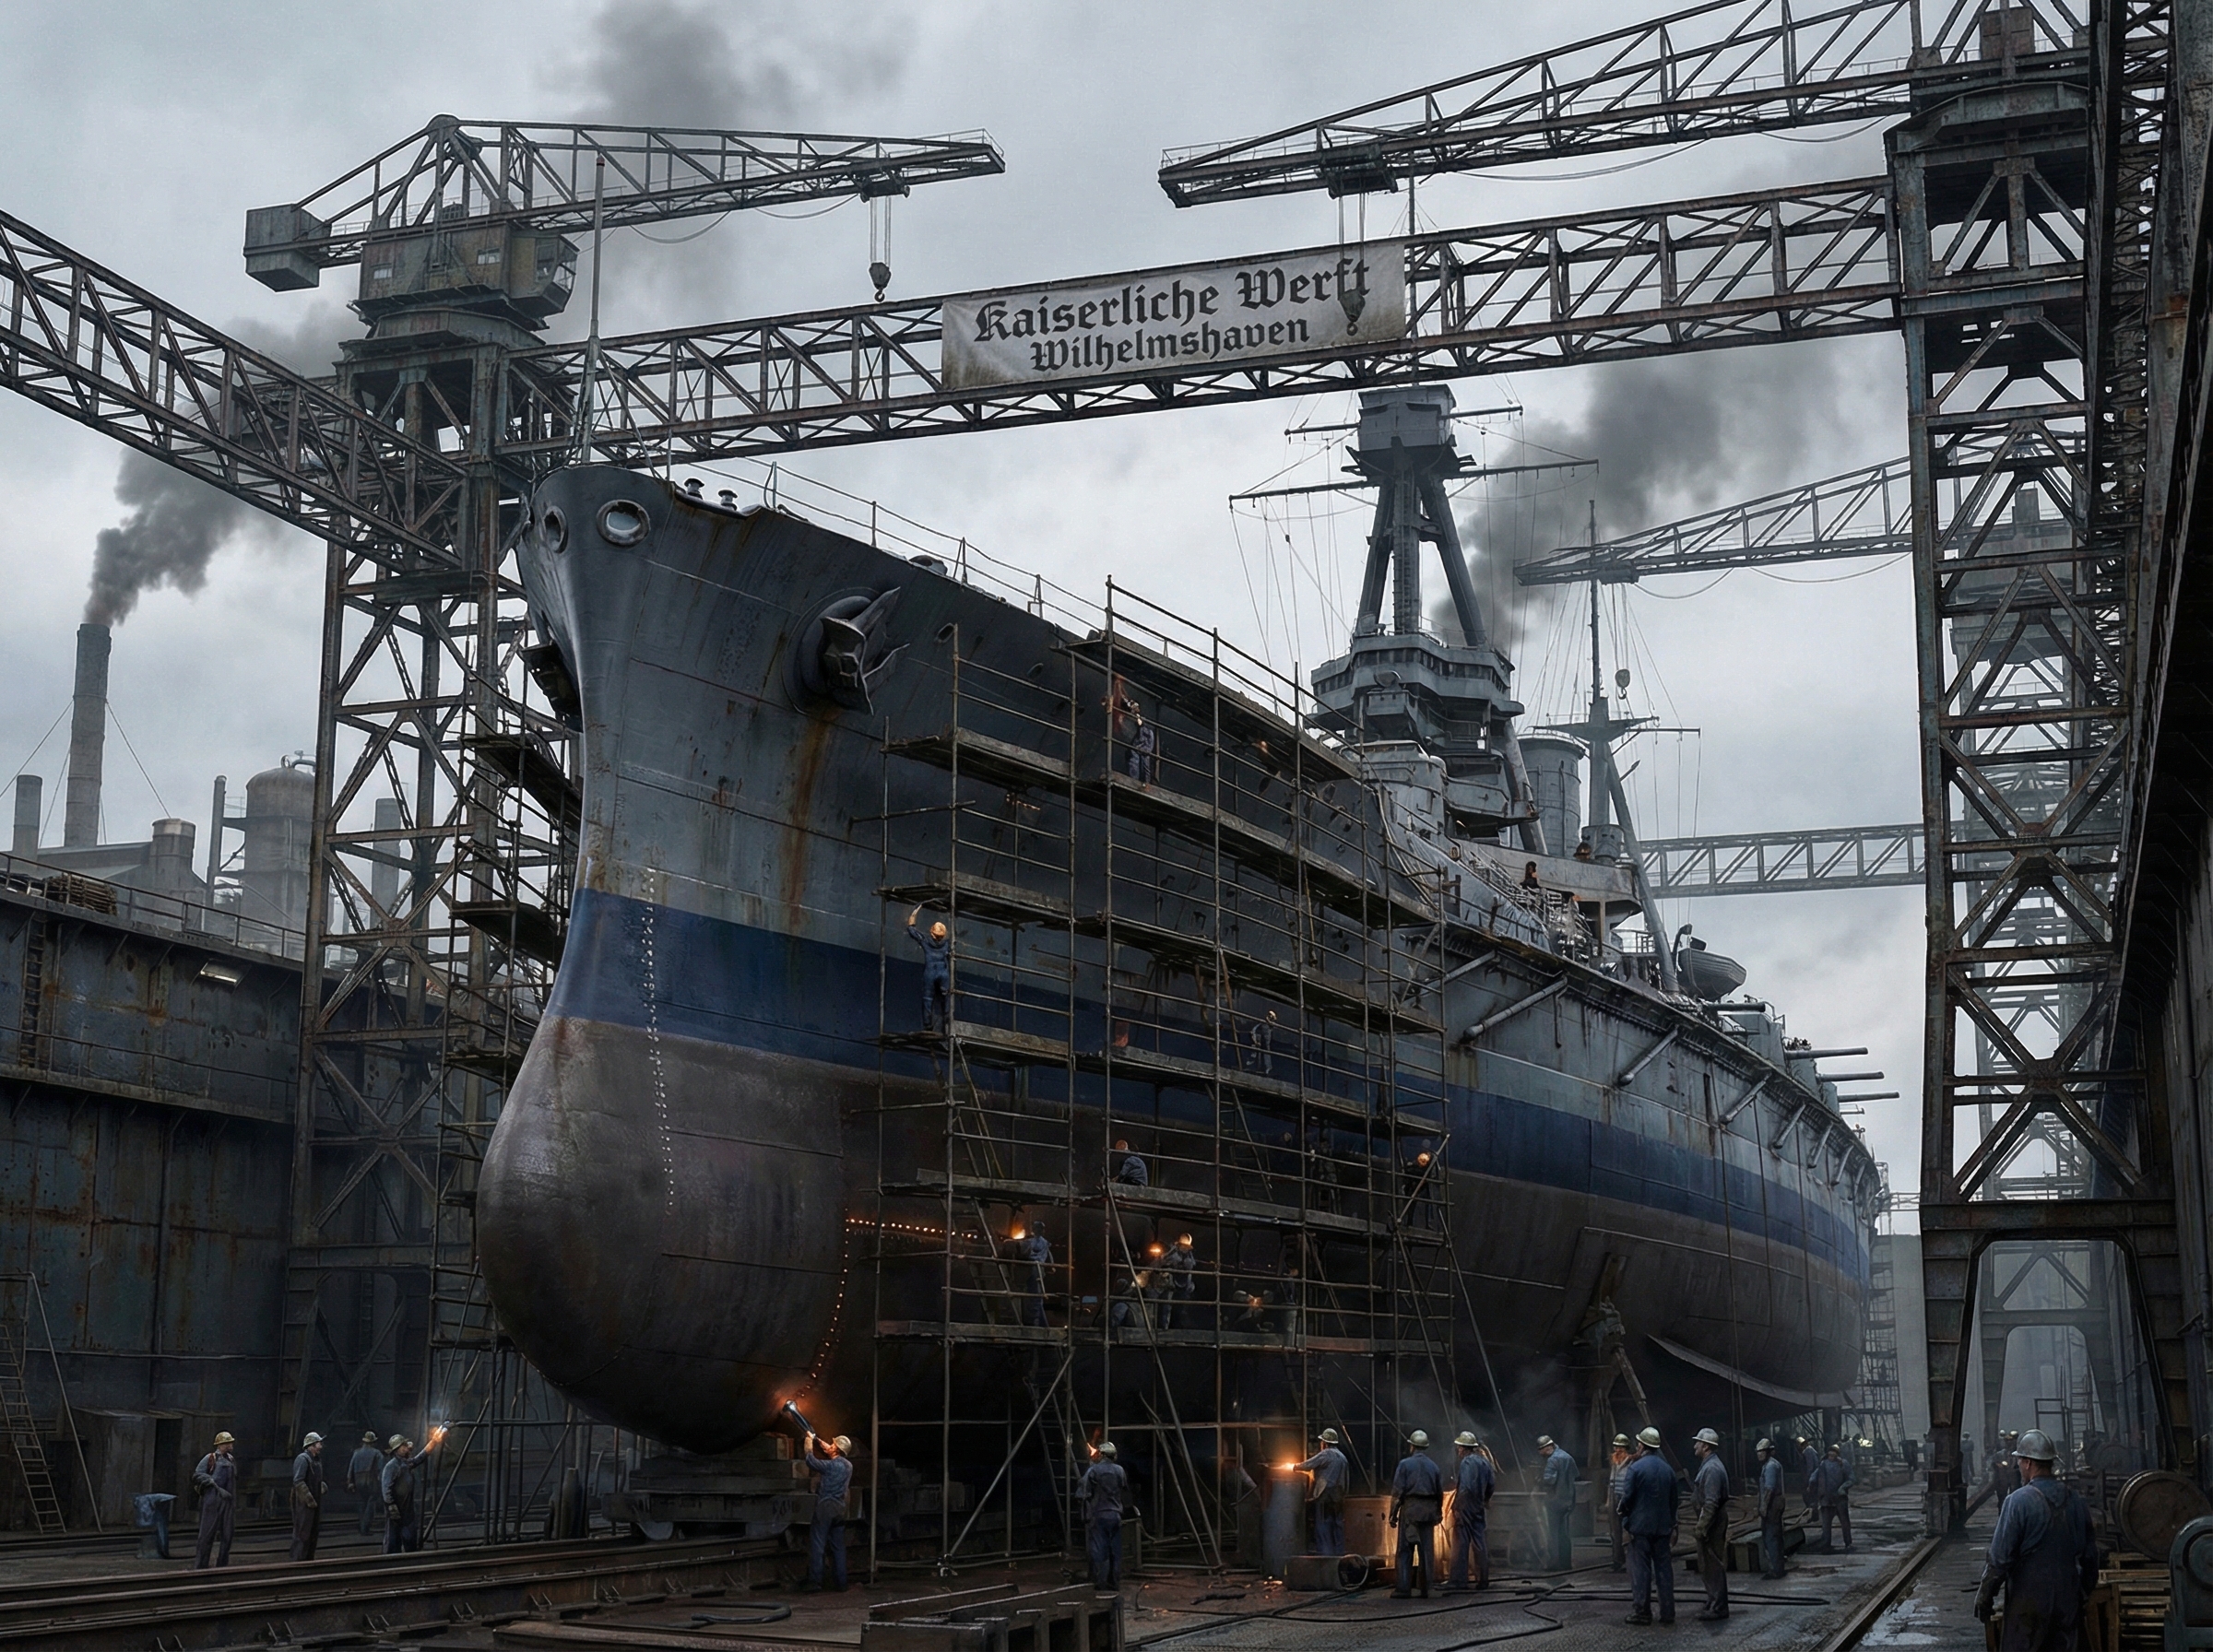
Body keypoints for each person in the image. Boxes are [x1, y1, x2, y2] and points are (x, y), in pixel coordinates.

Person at [1974, 1428, 2100, 1652]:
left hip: (2028, 1605)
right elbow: (2090, 1558)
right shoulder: (2076, 1501)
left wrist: (1985, 1596)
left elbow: (2000, 1559)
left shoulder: (2017, 1502)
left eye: (2020, 1461)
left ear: (2028, 1463)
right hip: (2067, 1601)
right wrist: (2081, 1593)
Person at [1618, 1426, 1679, 1625]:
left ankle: (1642, 1613)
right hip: (1662, 1529)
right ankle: (1668, 1612)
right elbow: (1673, 1502)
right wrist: (1673, 1525)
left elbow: (1627, 1498)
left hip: (1640, 1529)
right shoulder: (1668, 1470)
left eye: (1639, 1443)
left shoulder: (1636, 1468)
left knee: (1641, 1571)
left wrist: (1624, 1516)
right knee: (1664, 1570)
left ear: (1643, 1445)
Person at [1389, 1430, 1444, 1599]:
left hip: (1411, 1510)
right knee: (1426, 1551)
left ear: (1412, 1446)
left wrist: (1393, 1514)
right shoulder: (1434, 1466)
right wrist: (1438, 1512)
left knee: (1405, 1550)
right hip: (1427, 1512)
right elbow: (1439, 1493)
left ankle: (1404, 1589)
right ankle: (1426, 1588)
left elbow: (1398, 1492)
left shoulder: (1405, 1464)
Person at [803, 1432, 853, 1591]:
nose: (829, 1446)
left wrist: (809, 1442)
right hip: (840, 1509)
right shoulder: (848, 1466)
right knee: (838, 1546)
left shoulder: (830, 1466)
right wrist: (822, 1443)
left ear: (836, 1449)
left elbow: (810, 1461)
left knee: (818, 1544)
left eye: (833, 1445)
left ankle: (815, 1582)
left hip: (826, 1507)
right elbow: (833, 1455)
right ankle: (841, 1583)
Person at [1690, 1427, 1730, 1621]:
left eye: (1698, 1442)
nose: (1695, 1445)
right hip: (1710, 1520)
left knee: (1713, 1564)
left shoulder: (1712, 1469)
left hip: (1712, 1522)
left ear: (1705, 1446)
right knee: (1707, 1564)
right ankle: (1713, 1599)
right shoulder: (1709, 1465)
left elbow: (1711, 1502)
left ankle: (1719, 1606)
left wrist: (1702, 1526)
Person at [1447, 1431, 1495, 1591]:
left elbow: (1465, 1488)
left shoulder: (1467, 1463)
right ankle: (1483, 1580)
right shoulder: (1485, 1462)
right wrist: (1485, 1500)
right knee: (1480, 1543)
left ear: (1463, 1448)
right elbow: (1491, 1485)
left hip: (1466, 1506)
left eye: (1459, 1448)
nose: (1458, 1451)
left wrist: (1458, 1507)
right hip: (1478, 1507)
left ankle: (1458, 1581)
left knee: (1460, 1543)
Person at [1079, 1442, 1130, 1592]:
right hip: (1115, 1516)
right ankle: (1114, 1583)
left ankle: (1101, 1585)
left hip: (1099, 1515)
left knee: (1100, 1551)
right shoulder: (1120, 1470)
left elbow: (1083, 1493)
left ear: (1101, 1455)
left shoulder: (1093, 1470)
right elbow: (1124, 1488)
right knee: (1115, 1551)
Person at [1296, 1427, 1349, 1555]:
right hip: (1339, 1497)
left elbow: (1308, 1464)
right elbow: (1346, 1480)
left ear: (1325, 1443)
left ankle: (1325, 1558)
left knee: (1323, 1528)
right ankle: (1339, 1558)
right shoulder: (1343, 1458)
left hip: (1325, 1496)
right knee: (1337, 1527)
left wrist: (1294, 1467)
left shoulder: (1326, 1454)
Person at [381, 1433, 437, 1553]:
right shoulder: (391, 1466)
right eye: (404, 1446)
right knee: (393, 1540)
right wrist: (391, 1507)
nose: (407, 1448)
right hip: (396, 1509)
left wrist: (435, 1440)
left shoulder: (406, 1464)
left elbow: (422, 1456)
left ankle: (410, 1561)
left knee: (410, 1539)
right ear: (397, 1450)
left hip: (407, 1509)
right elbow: (386, 1489)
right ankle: (391, 1565)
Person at [192, 1430, 238, 1569]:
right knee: (207, 1534)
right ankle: (201, 1565)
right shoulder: (210, 1458)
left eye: (230, 1443)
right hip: (212, 1499)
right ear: (220, 1445)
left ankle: (222, 1565)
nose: (230, 1445)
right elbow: (197, 1475)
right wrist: (212, 1483)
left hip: (228, 1500)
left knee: (227, 1534)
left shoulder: (230, 1459)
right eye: (227, 1443)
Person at [906, 906, 952, 1036]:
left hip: (930, 972)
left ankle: (927, 1025)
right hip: (944, 973)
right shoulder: (947, 944)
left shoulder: (925, 941)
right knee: (947, 997)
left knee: (927, 999)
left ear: (932, 932)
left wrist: (914, 912)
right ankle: (947, 1025)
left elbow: (911, 929)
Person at [1536, 1434, 1578, 1572]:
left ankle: (1554, 1564)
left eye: (1540, 1450)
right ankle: (1566, 1563)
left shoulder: (1552, 1460)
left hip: (1554, 1502)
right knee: (1564, 1534)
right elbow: (1574, 1477)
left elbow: (1549, 1480)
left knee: (1552, 1533)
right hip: (1568, 1501)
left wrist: (1539, 1482)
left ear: (1547, 1447)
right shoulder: (1568, 1457)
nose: (1540, 1453)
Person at [290, 1432, 326, 1562]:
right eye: (319, 1443)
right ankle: (298, 1560)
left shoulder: (315, 1460)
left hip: (315, 1501)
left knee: (312, 1531)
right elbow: (298, 1481)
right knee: (303, 1532)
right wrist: (309, 1498)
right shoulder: (303, 1459)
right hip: (304, 1503)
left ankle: (308, 1560)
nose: (321, 1446)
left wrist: (320, 1485)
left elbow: (313, 1478)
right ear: (311, 1445)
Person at [1812, 1442, 1854, 1552]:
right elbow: (1814, 1477)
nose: (1831, 1456)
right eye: (1830, 1454)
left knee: (1844, 1522)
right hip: (1826, 1499)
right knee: (1826, 1525)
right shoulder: (1823, 1464)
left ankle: (1848, 1542)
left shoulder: (1843, 1464)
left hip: (1840, 1499)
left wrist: (1843, 1488)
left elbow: (1852, 1479)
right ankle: (1826, 1543)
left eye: (1834, 1454)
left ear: (1837, 1454)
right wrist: (1812, 1485)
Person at [1009, 1222, 1053, 1328]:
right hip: (1038, 1269)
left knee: (1035, 1297)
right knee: (1037, 1297)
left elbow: (1023, 1252)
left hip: (1032, 1270)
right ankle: (1042, 1324)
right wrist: (1051, 1265)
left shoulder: (1031, 1242)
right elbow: (1049, 1257)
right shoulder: (1045, 1242)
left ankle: (1035, 1323)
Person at [1757, 1438, 1788, 1578]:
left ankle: (1776, 1570)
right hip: (1776, 1503)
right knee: (1775, 1536)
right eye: (1758, 1452)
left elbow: (1769, 1489)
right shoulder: (1770, 1465)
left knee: (1771, 1537)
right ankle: (1778, 1567)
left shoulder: (1770, 1466)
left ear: (1768, 1452)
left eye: (1762, 1452)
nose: (1759, 1454)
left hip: (1773, 1505)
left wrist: (1763, 1507)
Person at [349, 1432, 386, 1538]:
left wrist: (350, 1482)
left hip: (358, 1480)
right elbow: (381, 1470)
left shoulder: (356, 1453)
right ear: (373, 1442)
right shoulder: (377, 1453)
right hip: (371, 1480)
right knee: (371, 1504)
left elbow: (351, 1468)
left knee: (361, 1504)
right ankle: (365, 1528)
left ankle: (362, 1527)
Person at [1607, 1434, 1633, 1572]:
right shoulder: (1614, 1462)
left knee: (1627, 1531)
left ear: (1626, 1449)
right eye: (1616, 1447)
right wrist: (1608, 1500)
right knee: (1614, 1531)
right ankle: (1617, 1560)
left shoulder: (1631, 1462)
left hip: (1625, 1498)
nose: (1617, 1450)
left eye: (1620, 1448)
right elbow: (1611, 1483)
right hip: (1614, 1497)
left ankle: (1629, 1561)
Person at [1165, 1233, 1197, 1329]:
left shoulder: (1189, 1255)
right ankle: (1165, 1329)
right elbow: (1166, 1260)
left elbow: (1192, 1264)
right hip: (1170, 1285)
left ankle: (1177, 1328)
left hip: (1184, 1286)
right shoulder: (1172, 1252)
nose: (1185, 1248)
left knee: (1180, 1309)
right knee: (1167, 1308)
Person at [1128, 714, 1158, 784]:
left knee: (1144, 765)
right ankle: (1135, 780)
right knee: (1135, 762)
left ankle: (1144, 782)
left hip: (1143, 747)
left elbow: (1146, 742)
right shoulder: (1142, 729)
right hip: (1138, 747)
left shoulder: (1148, 731)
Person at [1799, 1436, 1820, 1511]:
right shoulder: (1810, 1450)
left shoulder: (1808, 1451)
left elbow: (1810, 1466)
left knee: (1809, 1494)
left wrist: (1809, 1479)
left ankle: (1811, 1510)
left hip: (1810, 1476)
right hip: (1812, 1475)